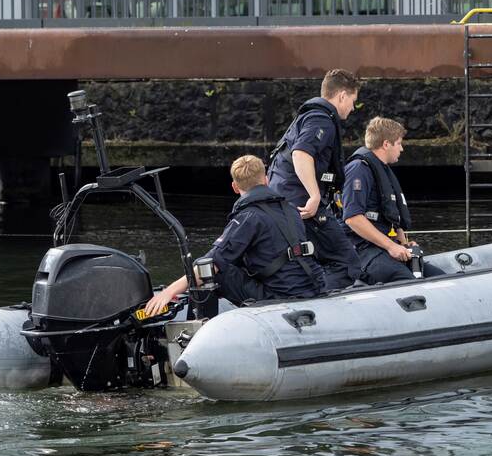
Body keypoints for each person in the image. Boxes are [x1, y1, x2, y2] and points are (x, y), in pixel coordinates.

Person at [145, 155, 325, 315]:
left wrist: (168, 292)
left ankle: (197, 327)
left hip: (279, 295)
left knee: (212, 270)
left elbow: (211, 263)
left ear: (235, 187)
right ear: (267, 180)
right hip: (312, 287)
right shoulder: (291, 209)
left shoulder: (248, 217)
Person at [267, 69, 362, 290]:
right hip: (303, 207)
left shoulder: (308, 116)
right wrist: (315, 195)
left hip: (285, 203)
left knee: (308, 260)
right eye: (353, 100)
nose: (353, 107)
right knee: (346, 263)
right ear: (341, 96)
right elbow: (300, 153)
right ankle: (315, 305)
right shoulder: (321, 120)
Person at [340, 117, 438, 284]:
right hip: (364, 251)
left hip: (384, 247)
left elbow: (390, 215)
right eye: (399, 143)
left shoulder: (382, 171)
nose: (402, 149)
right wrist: (391, 247)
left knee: (438, 278)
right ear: (386, 144)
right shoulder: (359, 170)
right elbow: (353, 218)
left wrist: (403, 244)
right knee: (408, 283)